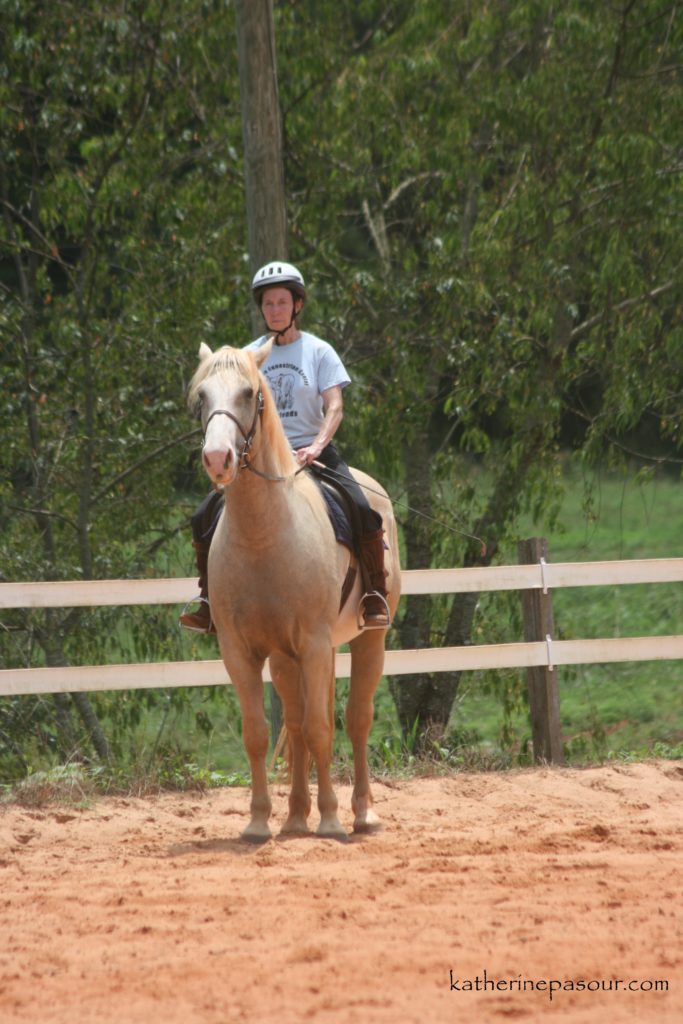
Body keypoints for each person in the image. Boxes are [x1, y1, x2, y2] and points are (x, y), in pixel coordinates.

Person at [179, 261, 390, 633]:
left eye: (281, 302)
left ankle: (374, 593)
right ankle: (209, 600)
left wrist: (315, 447)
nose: (274, 310)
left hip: (313, 452)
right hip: (259, 459)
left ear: (297, 306)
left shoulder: (319, 352)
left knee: (362, 508)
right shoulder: (246, 357)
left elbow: (335, 406)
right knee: (202, 517)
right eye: (268, 304)